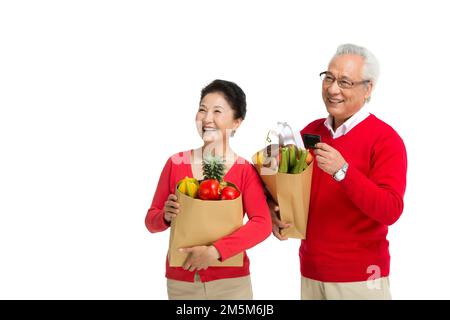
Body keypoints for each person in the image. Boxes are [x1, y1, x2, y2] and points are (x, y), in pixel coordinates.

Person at [268, 44, 407, 299]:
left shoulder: (386, 139)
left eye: (345, 82)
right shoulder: (310, 132)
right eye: (329, 78)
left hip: (361, 279)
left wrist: (343, 171)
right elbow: (289, 189)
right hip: (311, 273)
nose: (333, 89)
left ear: (368, 89)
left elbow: (390, 209)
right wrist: (273, 212)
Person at [145, 79, 272, 300]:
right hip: (181, 281)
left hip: (231, 284)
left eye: (217, 111)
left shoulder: (245, 171)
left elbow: (262, 224)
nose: (207, 118)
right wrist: (165, 216)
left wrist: (215, 252)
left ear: (236, 122)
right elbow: (150, 221)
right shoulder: (176, 163)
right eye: (202, 109)